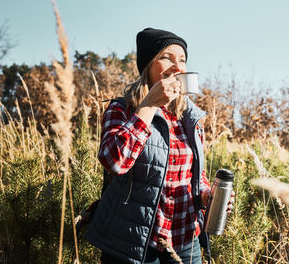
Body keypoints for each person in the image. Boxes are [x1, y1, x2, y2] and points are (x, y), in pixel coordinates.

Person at [85, 28, 234, 264]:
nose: (177, 66)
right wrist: (149, 104)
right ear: (147, 66)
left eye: (182, 60)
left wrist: (207, 195)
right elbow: (115, 162)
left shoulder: (191, 117)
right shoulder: (122, 109)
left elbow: (195, 175)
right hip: (133, 243)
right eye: (167, 57)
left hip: (186, 241)